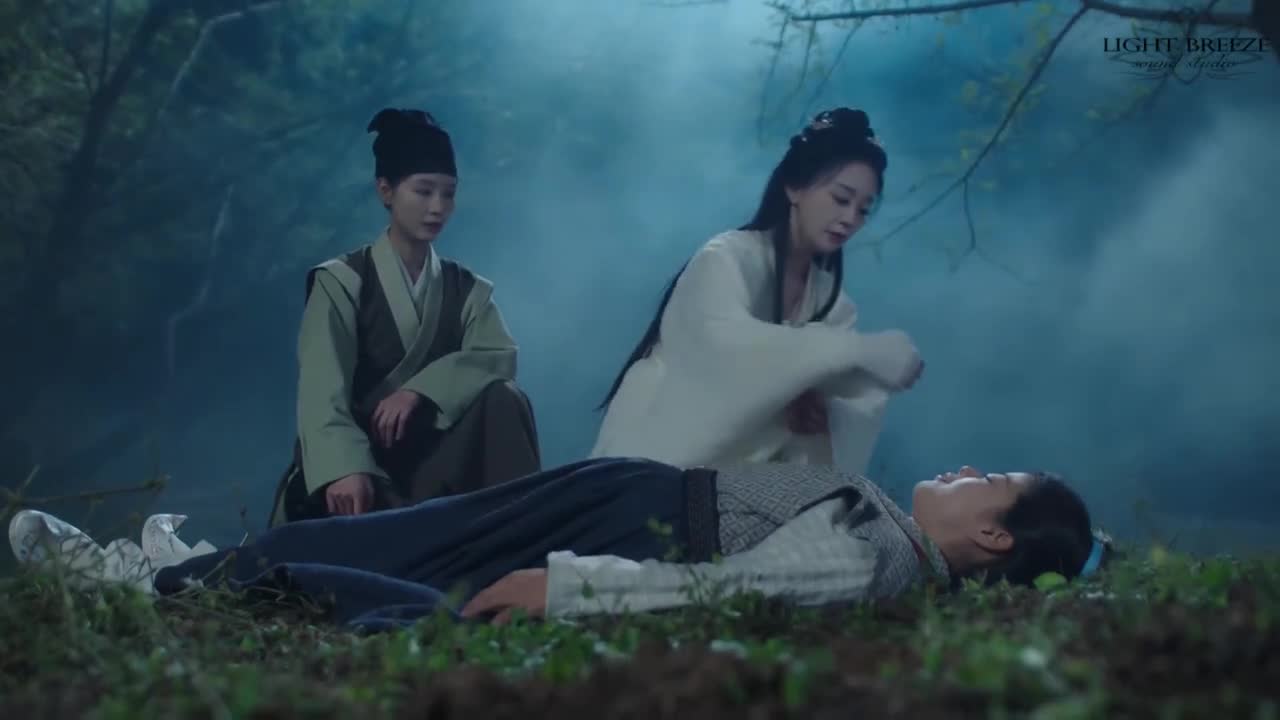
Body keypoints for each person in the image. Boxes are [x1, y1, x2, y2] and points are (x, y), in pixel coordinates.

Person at [9, 459, 1101, 631]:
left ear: (992, 533)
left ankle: (137, 581)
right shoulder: (891, 542)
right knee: (403, 543)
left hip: (614, 530)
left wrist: (569, 589)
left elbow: (727, 588)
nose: (964, 467)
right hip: (620, 503)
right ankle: (184, 570)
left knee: (400, 548)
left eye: (989, 477)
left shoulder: (877, 556)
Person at [590, 107, 924, 474]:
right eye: (841, 199)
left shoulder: (834, 304)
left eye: (863, 209)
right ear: (795, 186)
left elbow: (846, 401)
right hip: (654, 456)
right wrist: (853, 352)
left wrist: (819, 403)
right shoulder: (725, 258)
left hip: (742, 477)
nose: (850, 219)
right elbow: (722, 352)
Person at [267, 107, 542, 528]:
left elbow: (498, 355)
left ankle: (522, 535)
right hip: (360, 477)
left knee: (504, 397)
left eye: (448, 194)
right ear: (386, 191)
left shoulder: (467, 290)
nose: (437, 207)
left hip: (435, 469)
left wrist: (419, 391)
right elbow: (322, 392)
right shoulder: (341, 282)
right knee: (339, 493)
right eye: (424, 191)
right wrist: (344, 466)